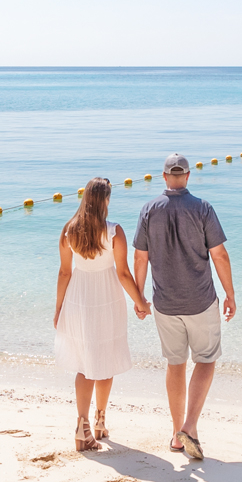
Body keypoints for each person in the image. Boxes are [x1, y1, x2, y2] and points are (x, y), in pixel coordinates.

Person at [132, 153, 236, 461]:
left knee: (175, 364)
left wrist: (138, 298)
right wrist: (230, 294)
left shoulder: (149, 210)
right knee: (205, 360)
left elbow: (140, 258)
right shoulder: (202, 208)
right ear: (188, 176)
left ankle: (177, 435)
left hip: (165, 303)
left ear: (164, 177)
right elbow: (219, 255)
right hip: (201, 301)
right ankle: (190, 426)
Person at [53, 176, 147, 451]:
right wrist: (140, 301)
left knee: (85, 364)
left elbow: (64, 272)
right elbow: (123, 273)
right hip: (107, 300)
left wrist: (59, 309)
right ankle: (100, 420)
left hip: (78, 300)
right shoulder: (114, 231)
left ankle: (83, 424)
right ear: (105, 200)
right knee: (104, 360)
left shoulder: (69, 231)